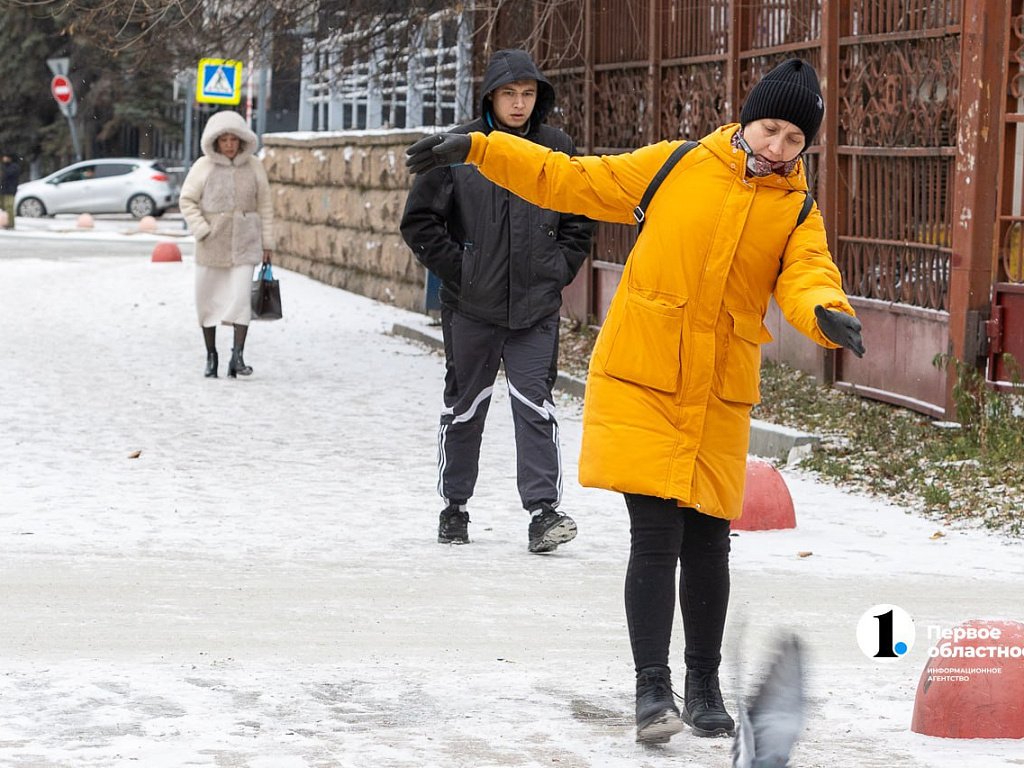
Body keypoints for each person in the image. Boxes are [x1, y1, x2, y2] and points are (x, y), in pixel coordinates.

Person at [406, 59, 864, 744]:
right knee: (655, 536)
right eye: (770, 129)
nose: (777, 147)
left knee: (710, 540)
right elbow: (571, 179)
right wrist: (479, 147)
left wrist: (826, 310)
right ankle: (653, 690)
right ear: (747, 119)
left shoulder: (796, 208)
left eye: (795, 140)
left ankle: (704, 683)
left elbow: (807, 272)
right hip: (645, 375)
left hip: (716, 390)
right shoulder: (677, 164)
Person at [400, 49, 594, 553]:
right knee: (466, 408)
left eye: (528, 94)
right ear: (491, 95)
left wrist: (556, 271)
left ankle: (543, 513)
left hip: (535, 307)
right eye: (510, 93)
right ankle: (455, 506)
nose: (519, 103)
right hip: (472, 307)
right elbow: (419, 222)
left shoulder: (557, 147)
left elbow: (580, 216)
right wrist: (460, 271)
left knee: (536, 404)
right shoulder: (458, 148)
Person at [179, 110, 274, 379]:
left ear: (242, 140)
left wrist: (268, 243)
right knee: (206, 301)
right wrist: (202, 229)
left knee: (242, 298)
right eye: (224, 140)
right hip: (212, 243)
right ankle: (212, 355)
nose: (230, 144)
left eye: (234, 139)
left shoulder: (254, 166)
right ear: (215, 142)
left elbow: (265, 205)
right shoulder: (203, 166)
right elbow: (187, 200)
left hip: (246, 242)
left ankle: (238, 356)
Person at [0, 152, 20, 230]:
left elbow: (7, 174)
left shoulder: (14, 167)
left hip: (9, 190)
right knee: (4, 207)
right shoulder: (6, 166)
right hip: (4, 189)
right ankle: (6, 221)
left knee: (9, 207)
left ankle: (10, 223)